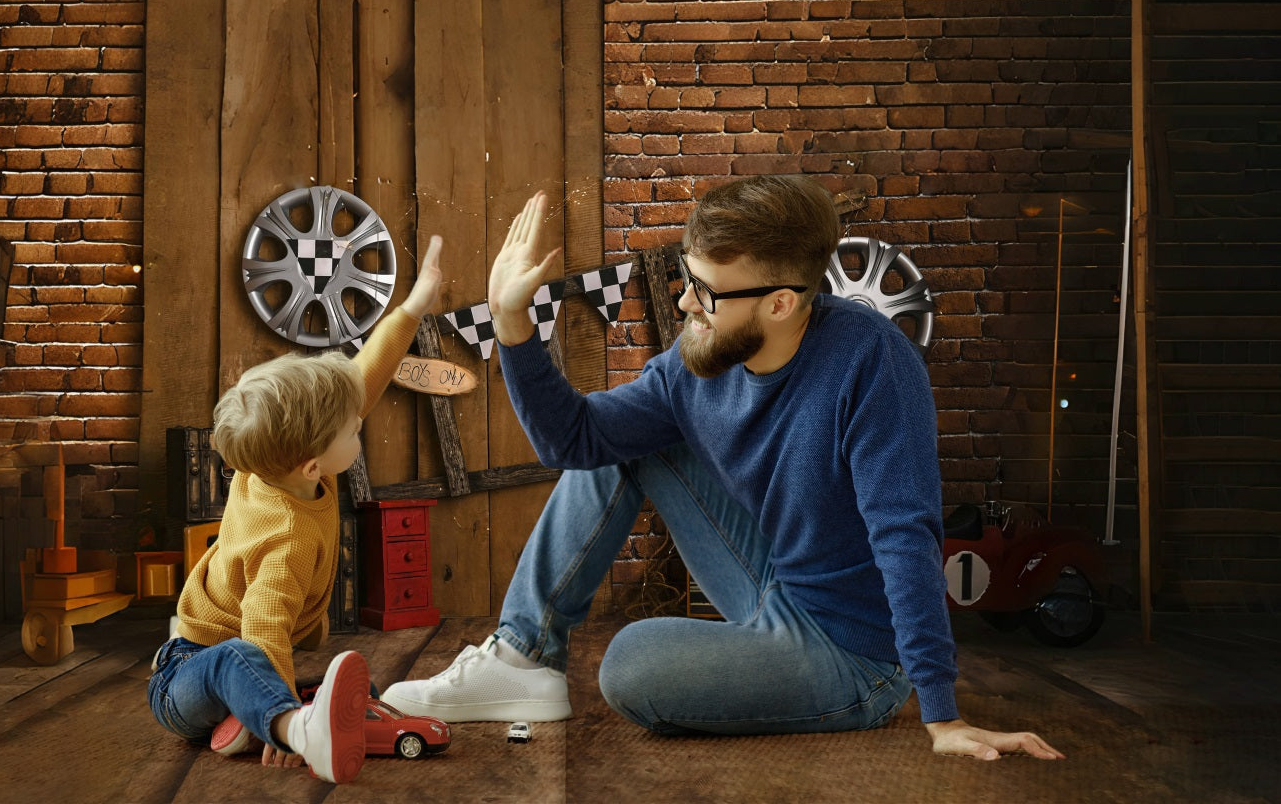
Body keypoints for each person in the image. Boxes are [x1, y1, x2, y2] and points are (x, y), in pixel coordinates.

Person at [381, 178, 1063, 762]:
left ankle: (808, 674)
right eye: (687, 281)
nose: (685, 304)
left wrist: (942, 714)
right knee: (626, 441)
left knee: (631, 664)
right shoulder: (695, 363)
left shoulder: (871, 365)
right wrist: (511, 322)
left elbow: (905, 534)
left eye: (706, 292)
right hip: (774, 578)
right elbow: (577, 440)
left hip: (852, 651)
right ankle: (522, 657)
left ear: (780, 302)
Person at [148, 235, 444, 784]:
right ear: (312, 465)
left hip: (227, 666)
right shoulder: (284, 537)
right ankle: (290, 726)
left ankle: (255, 716)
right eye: (353, 430)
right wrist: (280, 724)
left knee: (352, 689)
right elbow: (264, 630)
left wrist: (412, 307)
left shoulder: (270, 466)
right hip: (186, 678)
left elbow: (361, 384)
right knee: (240, 659)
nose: (361, 423)